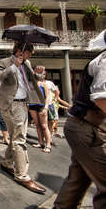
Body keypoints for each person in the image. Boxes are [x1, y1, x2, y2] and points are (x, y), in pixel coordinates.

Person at [53, 32, 106, 209]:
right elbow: (101, 99)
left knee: (78, 178)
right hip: (88, 127)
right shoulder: (104, 61)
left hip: (86, 126)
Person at [0, 41, 47, 194]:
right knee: (20, 139)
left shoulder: (27, 63)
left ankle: (6, 162)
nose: (29, 56)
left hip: (24, 104)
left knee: (15, 137)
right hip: (11, 105)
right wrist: (13, 67)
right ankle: (22, 175)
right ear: (19, 50)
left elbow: (32, 79)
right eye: (28, 53)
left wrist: (38, 73)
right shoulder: (5, 62)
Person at [29, 67, 52, 153]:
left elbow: (47, 97)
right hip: (32, 106)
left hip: (41, 106)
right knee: (37, 125)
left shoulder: (43, 84)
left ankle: (48, 145)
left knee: (44, 126)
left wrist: (46, 107)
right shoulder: (30, 84)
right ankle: (41, 142)